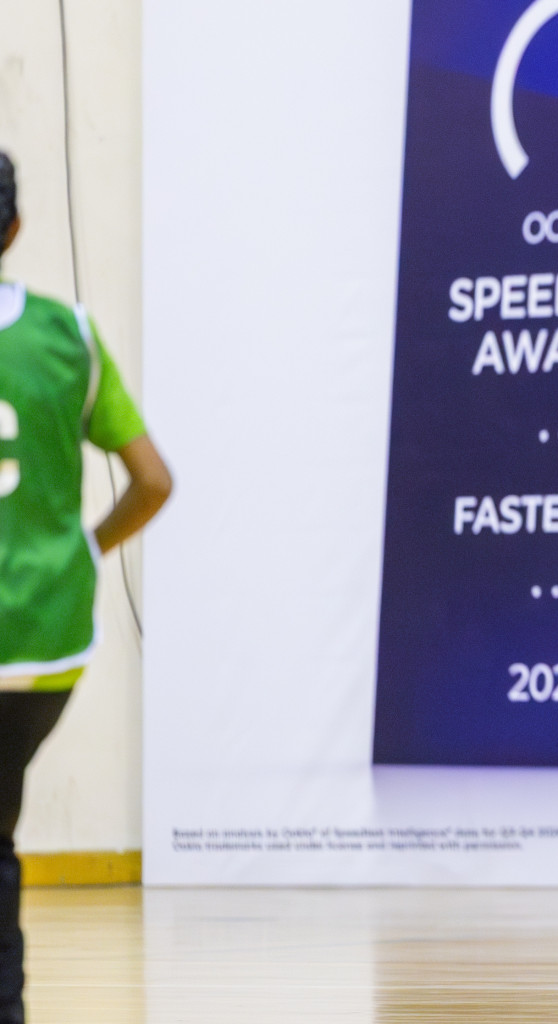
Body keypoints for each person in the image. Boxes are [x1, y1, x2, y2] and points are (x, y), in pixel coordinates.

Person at [0, 151, 173, 1024]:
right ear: (15, 229)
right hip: (45, 644)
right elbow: (153, 481)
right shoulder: (69, 334)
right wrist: (88, 551)